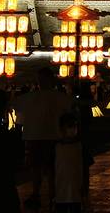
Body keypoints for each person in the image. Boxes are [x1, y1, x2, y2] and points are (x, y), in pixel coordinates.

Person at [12, 67, 73, 209]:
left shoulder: (29, 98)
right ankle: (52, 195)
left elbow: (16, 109)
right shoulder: (60, 98)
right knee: (51, 168)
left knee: (37, 168)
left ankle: (37, 194)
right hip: (53, 136)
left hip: (35, 136)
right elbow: (70, 111)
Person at [55, 113, 83, 213]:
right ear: (62, 129)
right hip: (60, 193)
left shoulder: (80, 147)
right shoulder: (56, 147)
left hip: (76, 193)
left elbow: (85, 169)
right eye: (70, 126)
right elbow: (51, 170)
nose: (73, 129)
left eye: (75, 126)